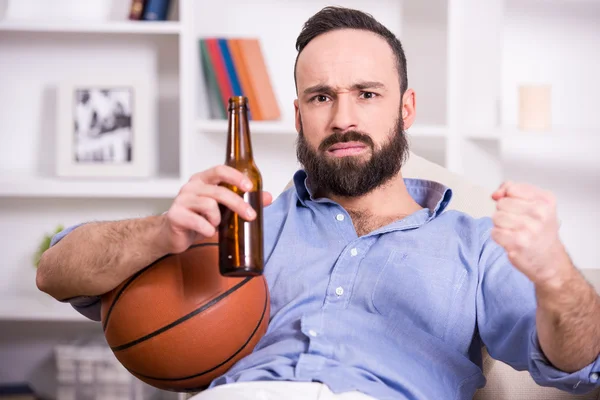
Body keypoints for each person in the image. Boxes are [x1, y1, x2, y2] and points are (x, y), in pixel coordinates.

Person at [36, 6, 600, 400]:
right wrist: (161, 233)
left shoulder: (474, 244)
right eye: (322, 96)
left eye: (367, 94)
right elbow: (56, 271)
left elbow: (582, 364)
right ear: (300, 113)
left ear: (405, 109)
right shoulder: (245, 221)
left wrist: (556, 276)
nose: (343, 118)